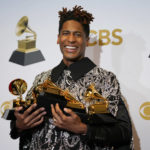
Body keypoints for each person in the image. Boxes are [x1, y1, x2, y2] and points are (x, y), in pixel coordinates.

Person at [10, 5, 133, 150]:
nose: (71, 39)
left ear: (87, 40)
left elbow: (123, 132)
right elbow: (20, 123)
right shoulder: (41, 79)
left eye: (78, 34)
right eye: (66, 33)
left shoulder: (105, 80)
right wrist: (18, 126)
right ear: (58, 38)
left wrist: (83, 129)